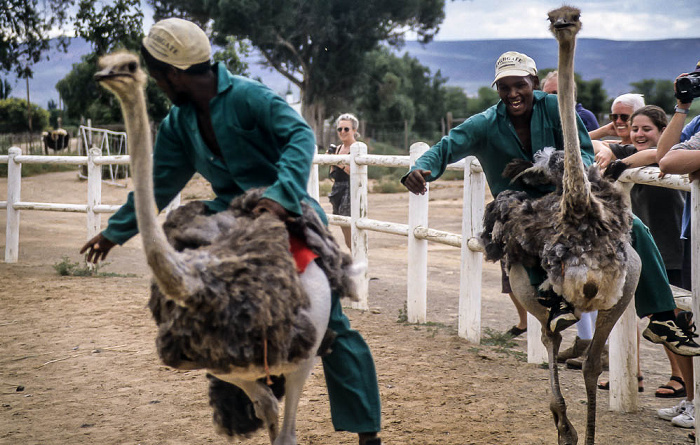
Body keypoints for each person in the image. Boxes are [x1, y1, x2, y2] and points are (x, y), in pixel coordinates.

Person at [79, 18, 382, 445]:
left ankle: (367, 431)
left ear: (175, 73)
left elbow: (298, 135)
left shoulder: (247, 96)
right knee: (199, 302)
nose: (160, 85)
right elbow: (159, 181)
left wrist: (281, 194)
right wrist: (114, 232)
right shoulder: (179, 123)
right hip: (228, 214)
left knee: (331, 320)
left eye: (159, 74)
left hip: (283, 208)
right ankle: (246, 393)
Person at [401, 50, 700, 358]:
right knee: (518, 226)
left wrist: (567, 171)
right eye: (505, 87)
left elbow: (583, 152)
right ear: (498, 90)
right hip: (517, 203)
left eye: (520, 85)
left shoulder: (557, 109)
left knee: (631, 224)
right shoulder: (485, 123)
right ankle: (549, 298)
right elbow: (447, 145)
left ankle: (662, 316)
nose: (513, 93)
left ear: (533, 82)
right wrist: (422, 169)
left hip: (565, 192)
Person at [655, 63, 700, 430]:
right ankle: (692, 399)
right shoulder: (698, 123)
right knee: (688, 317)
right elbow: (664, 155)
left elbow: (671, 160)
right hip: (693, 233)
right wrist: (682, 107)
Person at [328, 113, 359, 250]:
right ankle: (355, 259)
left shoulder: (357, 148)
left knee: (350, 229)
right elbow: (332, 174)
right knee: (346, 234)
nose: (342, 132)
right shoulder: (338, 149)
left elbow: (354, 172)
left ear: (354, 130)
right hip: (337, 190)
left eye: (346, 129)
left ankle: (359, 259)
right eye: (339, 129)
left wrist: (336, 160)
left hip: (350, 189)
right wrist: (330, 159)